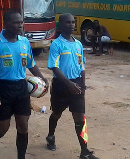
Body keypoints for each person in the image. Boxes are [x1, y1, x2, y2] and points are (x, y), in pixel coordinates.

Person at [0, 10, 49, 159]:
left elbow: (31, 63)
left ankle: (21, 156)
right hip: (3, 89)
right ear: (6, 24)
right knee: (2, 128)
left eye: (21, 22)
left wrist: (42, 78)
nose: (20, 25)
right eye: (16, 22)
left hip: (21, 88)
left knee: (23, 125)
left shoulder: (24, 42)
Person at [46, 13, 99, 159]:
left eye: (73, 22)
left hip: (77, 85)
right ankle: (50, 136)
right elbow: (54, 67)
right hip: (61, 86)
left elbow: (81, 65)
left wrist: (83, 85)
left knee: (80, 119)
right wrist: (69, 84)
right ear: (60, 25)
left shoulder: (78, 44)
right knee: (56, 113)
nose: (72, 25)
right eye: (68, 22)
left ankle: (84, 151)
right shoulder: (56, 44)